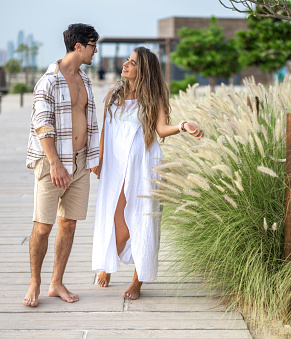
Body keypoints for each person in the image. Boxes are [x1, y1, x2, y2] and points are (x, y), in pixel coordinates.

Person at [91, 46, 204, 300]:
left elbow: (161, 130)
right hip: (115, 165)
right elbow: (105, 130)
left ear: (143, 70)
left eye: (132, 63)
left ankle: (137, 281)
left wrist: (183, 126)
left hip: (143, 164)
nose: (125, 65)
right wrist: (98, 158)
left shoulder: (154, 99)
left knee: (141, 219)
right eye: (127, 61)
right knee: (114, 216)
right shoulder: (114, 93)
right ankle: (109, 263)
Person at [23, 23, 100, 307]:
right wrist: (54, 162)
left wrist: (93, 160)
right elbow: (42, 124)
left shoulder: (86, 81)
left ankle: (57, 282)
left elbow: (89, 123)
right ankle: (35, 282)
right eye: (93, 45)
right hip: (53, 162)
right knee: (43, 227)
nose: (96, 51)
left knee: (68, 224)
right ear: (79, 46)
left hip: (79, 163)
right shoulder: (49, 81)